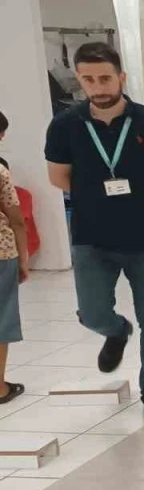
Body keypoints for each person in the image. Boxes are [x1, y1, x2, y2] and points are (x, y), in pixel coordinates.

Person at [45, 42, 144, 419]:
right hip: (92, 239)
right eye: (89, 79)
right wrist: (97, 203)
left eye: (105, 78)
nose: (98, 87)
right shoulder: (65, 126)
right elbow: (58, 177)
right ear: (80, 80)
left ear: (121, 77)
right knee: (91, 312)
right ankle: (116, 330)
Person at [0, 111, 31, 404]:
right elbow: (16, 219)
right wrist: (23, 258)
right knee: (1, 318)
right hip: (1, 253)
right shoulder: (1, 171)